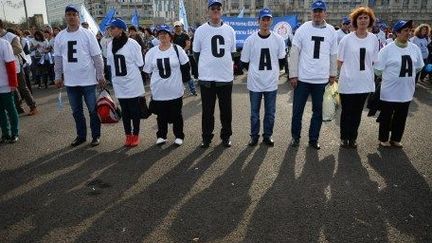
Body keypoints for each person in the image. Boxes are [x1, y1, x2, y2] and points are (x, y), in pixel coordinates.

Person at [288, 0, 337, 150]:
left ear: (325, 13)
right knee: (297, 111)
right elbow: (294, 52)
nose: (317, 13)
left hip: (321, 80)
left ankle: (313, 139)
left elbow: (333, 54)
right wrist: (293, 75)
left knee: (318, 112)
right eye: (315, 11)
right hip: (303, 79)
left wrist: (333, 73)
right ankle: (295, 137)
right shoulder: (303, 29)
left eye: (320, 11)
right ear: (311, 13)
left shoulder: (331, 31)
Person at [54, 5, 105, 147]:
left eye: (73, 14)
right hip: (70, 81)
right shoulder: (60, 36)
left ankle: (96, 136)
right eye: (68, 14)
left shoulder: (87, 34)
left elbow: (97, 56)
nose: (71, 17)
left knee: (93, 110)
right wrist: (58, 76)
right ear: (65, 17)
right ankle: (81, 136)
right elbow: (58, 58)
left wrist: (100, 75)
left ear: (78, 16)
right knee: (76, 111)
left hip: (88, 80)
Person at [193, 0, 236, 148]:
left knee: (226, 111)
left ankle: (226, 136)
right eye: (213, 8)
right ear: (208, 11)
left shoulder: (230, 30)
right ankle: (206, 137)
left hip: (225, 78)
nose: (216, 10)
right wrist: (206, 67)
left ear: (222, 11)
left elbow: (231, 53)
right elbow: (196, 54)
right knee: (207, 111)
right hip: (207, 78)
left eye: (218, 8)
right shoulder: (200, 31)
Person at [374, 20, 424, 148]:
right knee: (386, 116)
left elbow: (418, 67)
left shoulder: (414, 48)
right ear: (397, 33)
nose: (408, 33)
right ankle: (383, 138)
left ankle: (396, 139)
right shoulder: (387, 50)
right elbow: (378, 70)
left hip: (406, 90)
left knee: (401, 117)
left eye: (410, 30)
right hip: (389, 90)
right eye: (405, 31)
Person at [240, 8, 286, 147]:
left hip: (271, 83)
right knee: (254, 113)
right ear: (258, 21)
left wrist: (273, 73)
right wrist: (254, 73)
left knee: (270, 113)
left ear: (271, 21)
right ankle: (254, 136)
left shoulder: (278, 39)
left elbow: (282, 61)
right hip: (255, 83)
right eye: (263, 19)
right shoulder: (250, 40)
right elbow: (244, 62)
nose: (265, 22)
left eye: (268, 19)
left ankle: (267, 135)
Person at [337, 6, 379, 148]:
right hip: (348, 82)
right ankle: (344, 137)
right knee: (346, 112)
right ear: (355, 21)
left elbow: (373, 60)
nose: (362, 20)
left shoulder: (374, 39)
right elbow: (339, 60)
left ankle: (353, 138)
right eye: (360, 18)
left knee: (357, 113)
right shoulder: (346, 39)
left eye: (365, 18)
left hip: (364, 82)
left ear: (370, 20)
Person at [144, 25, 190, 146]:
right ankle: (161, 135)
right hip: (159, 90)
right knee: (161, 115)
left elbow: (185, 66)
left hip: (175, 89)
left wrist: (185, 81)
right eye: (160, 34)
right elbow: (147, 71)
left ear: (170, 36)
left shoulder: (177, 49)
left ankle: (179, 135)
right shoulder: (152, 52)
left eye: (165, 33)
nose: (163, 35)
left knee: (177, 115)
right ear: (158, 36)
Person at [107, 18, 145, 147]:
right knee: (125, 111)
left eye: (112, 28)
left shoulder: (132, 43)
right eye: (110, 28)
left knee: (134, 110)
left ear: (121, 29)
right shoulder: (110, 44)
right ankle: (127, 135)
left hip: (132, 82)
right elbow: (110, 64)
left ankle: (136, 134)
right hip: (119, 83)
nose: (110, 30)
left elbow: (140, 63)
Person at [0, 22, 38, 116]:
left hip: (16, 64)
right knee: (12, 88)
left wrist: (5, 51)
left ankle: (33, 106)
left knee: (22, 86)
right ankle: (18, 107)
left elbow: (18, 49)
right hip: (4, 67)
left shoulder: (11, 36)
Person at [0, 38, 19, 143]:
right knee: (0, 112)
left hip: (5, 84)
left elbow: (11, 64)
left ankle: (14, 133)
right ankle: (5, 133)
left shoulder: (4, 43)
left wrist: (13, 83)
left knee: (10, 109)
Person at [173, 20, 197, 96]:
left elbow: (188, 45)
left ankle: (193, 90)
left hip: (184, 57)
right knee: (177, 74)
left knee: (188, 74)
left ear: (181, 27)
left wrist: (181, 52)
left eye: (178, 26)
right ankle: (179, 91)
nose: (177, 28)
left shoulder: (185, 35)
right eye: (176, 27)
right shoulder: (172, 36)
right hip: (175, 58)